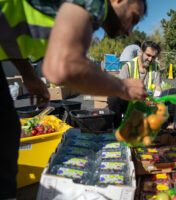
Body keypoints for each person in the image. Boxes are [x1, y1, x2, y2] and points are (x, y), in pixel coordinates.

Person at [0, 0, 148, 198]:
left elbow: (8, 32)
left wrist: (29, 76)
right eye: (133, 18)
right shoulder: (95, 3)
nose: (130, 31)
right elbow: (64, 67)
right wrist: (123, 87)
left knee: (6, 129)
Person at [108, 41, 162, 127]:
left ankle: (170, 127)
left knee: (173, 92)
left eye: (153, 57)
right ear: (141, 52)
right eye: (148, 55)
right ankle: (118, 127)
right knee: (113, 97)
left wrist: (155, 99)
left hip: (147, 103)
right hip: (131, 102)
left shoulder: (155, 68)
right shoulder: (128, 67)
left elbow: (158, 88)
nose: (150, 59)